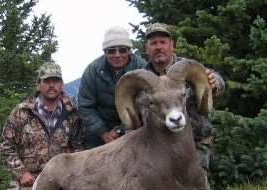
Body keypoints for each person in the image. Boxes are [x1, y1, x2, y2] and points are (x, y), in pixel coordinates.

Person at [0, 62, 85, 190]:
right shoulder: (21, 112)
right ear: (38, 85)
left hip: (63, 181)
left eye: (56, 80)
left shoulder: (72, 114)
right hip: (32, 181)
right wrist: (22, 173)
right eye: (46, 81)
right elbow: (6, 146)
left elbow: (80, 150)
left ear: (62, 84)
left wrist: (73, 176)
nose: (51, 85)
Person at [144, 22, 225, 174]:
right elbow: (133, 113)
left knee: (195, 189)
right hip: (157, 146)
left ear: (171, 45)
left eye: (163, 42)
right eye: (153, 43)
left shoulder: (187, 67)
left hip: (194, 141)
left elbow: (215, 79)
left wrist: (214, 83)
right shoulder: (142, 77)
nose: (158, 46)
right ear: (146, 48)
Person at [78, 26, 146, 149]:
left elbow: (144, 103)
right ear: (105, 52)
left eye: (122, 50)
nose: (117, 55)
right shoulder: (92, 70)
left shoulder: (141, 68)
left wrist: (120, 130)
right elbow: (85, 106)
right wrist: (103, 133)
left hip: (132, 126)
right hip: (99, 131)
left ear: (129, 50)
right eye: (111, 51)